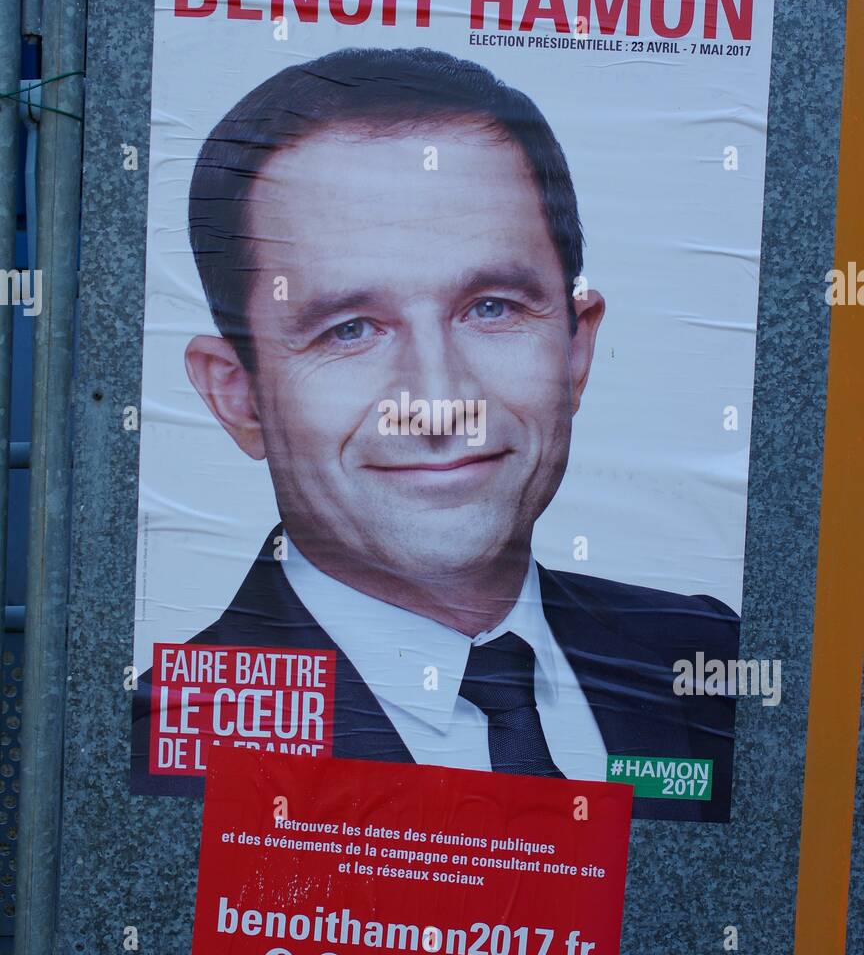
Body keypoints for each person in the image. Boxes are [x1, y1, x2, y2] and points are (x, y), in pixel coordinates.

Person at [132, 47, 737, 820]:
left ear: (577, 349)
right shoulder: (160, 749)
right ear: (238, 395)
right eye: (350, 329)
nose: (439, 401)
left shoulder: (713, 659)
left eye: (491, 308)